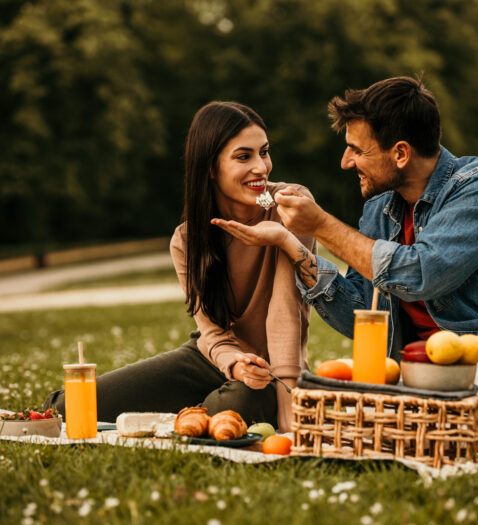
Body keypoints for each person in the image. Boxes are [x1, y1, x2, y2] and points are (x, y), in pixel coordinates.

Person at [213, 77, 478, 469]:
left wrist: (321, 225)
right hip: (426, 389)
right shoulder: (379, 210)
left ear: (400, 153)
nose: (346, 162)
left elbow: (422, 273)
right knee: (362, 417)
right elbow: (362, 318)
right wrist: (293, 246)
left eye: (356, 150)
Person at [44, 101, 315, 432]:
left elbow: (287, 309)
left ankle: (194, 415)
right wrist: (234, 363)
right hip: (210, 359)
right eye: (244, 156)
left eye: (264, 152)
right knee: (69, 407)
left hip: (270, 373)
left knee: (230, 407)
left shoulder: (289, 206)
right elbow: (212, 332)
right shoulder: (188, 239)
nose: (261, 166)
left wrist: (288, 402)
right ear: (211, 167)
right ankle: (193, 414)